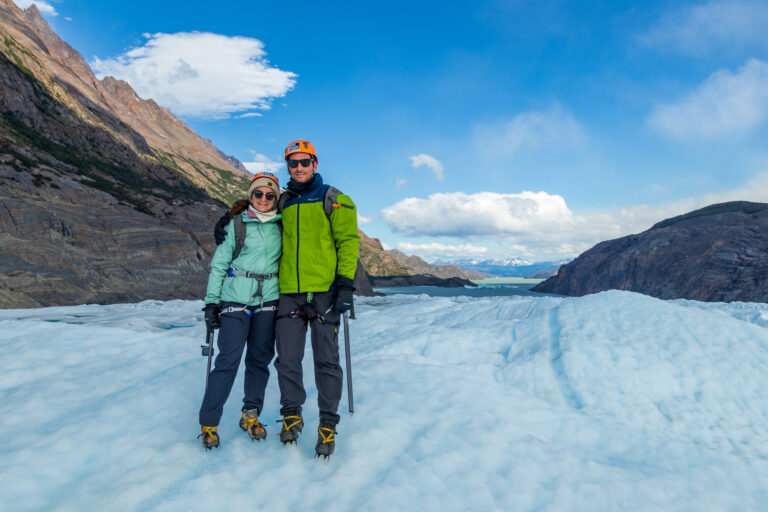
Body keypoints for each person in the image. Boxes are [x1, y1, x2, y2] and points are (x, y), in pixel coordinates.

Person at [213, 140, 359, 457]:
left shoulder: (334, 199)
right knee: (288, 360)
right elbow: (258, 210)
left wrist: (346, 284)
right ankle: (292, 415)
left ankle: (328, 425)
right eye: (293, 163)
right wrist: (228, 217)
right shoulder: (284, 201)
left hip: (324, 293)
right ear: (288, 167)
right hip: (289, 294)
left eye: (305, 162)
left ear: (315, 164)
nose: (299, 167)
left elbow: (348, 242)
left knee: (326, 361)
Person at [198, 172, 283, 449]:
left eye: (270, 195)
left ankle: (250, 415)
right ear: (250, 195)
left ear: (276, 198)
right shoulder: (236, 225)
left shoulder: (284, 226)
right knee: (227, 362)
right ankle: (209, 423)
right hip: (235, 299)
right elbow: (219, 265)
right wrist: (212, 303)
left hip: (268, 300)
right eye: (258, 193)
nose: (263, 199)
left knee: (259, 361)